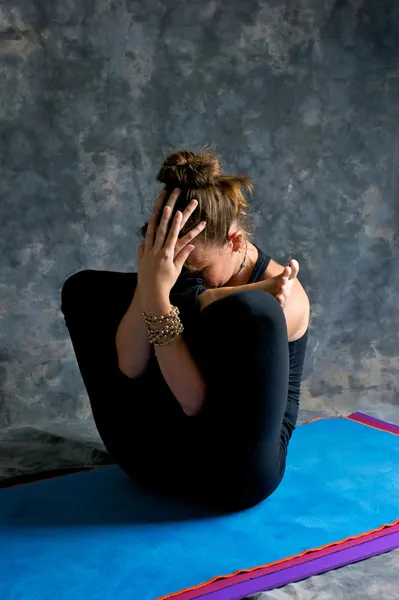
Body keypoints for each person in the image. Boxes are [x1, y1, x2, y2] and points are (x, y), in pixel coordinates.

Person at [61, 147, 310, 513]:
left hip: (233, 474)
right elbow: (129, 365)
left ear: (236, 241)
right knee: (84, 290)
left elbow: (195, 402)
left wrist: (162, 298)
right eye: (172, 263)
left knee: (254, 309)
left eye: (193, 269)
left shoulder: (284, 294)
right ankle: (198, 295)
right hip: (148, 462)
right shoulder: (172, 277)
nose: (182, 277)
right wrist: (156, 285)